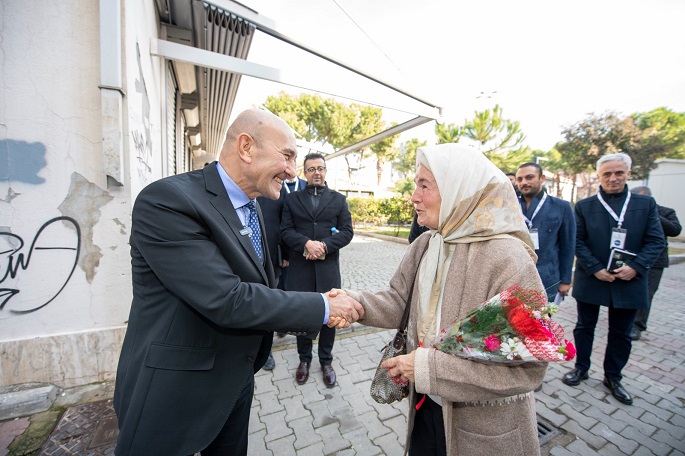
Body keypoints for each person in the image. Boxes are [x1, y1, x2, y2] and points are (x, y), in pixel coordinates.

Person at [113, 108, 363, 456]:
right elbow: (228, 299)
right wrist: (323, 306)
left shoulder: (251, 203)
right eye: (288, 156)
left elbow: (259, 287)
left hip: (235, 381)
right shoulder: (168, 202)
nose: (293, 171)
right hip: (175, 391)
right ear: (246, 147)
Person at [342, 144, 548, 456]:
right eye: (415, 185)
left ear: (458, 189)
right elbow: (400, 301)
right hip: (426, 409)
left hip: (482, 432)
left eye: (424, 185)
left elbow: (527, 368)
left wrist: (426, 368)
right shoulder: (426, 243)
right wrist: (352, 302)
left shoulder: (507, 258)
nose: (414, 196)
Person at [562, 153, 665, 406]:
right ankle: (581, 368)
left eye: (618, 173)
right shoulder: (585, 205)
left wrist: (636, 267)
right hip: (594, 277)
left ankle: (613, 377)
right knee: (585, 326)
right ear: (599, 176)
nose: (613, 178)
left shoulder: (644, 204)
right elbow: (578, 240)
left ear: (628, 174)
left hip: (629, 278)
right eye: (607, 174)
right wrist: (595, 267)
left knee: (621, 332)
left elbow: (656, 241)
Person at [281, 152, 354, 388]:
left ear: (325, 171)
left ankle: (326, 360)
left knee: (330, 316)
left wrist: (324, 245)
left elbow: (347, 231)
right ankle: (304, 359)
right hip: (300, 269)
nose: (316, 173)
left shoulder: (338, 200)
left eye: (320, 168)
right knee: (303, 315)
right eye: (311, 169)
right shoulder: (291, 200)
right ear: (305, 172)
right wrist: (305, 243)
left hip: (327, 268)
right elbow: (284, 231)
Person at [257, 175, 307, 369]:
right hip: (240, 258)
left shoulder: (276, 190)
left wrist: (285, 255)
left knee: (269, 301)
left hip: (271, 259)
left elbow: (284, 226)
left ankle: (266, 350)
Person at [515, 162, 576, 301]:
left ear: (541, 178)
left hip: (547, 277)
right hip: (515, 276)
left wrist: (565, 280)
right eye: (520, 179)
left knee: (542, 320)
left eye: (529, 177)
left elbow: (568, 245)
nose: (524, 182)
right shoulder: (510, 206)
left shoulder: (561, 207)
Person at [628, 186, 681, 340]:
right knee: (630, 292)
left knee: (646, 294)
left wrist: (652, 213)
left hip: (655, 262)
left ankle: (637, 326)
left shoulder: (665, 212)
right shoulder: (631, 213)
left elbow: (675, 230)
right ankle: (626, 320)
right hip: (632, 259)